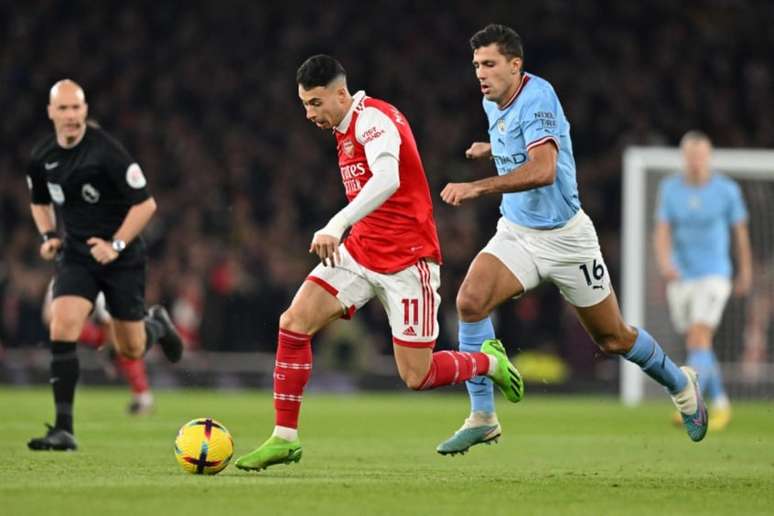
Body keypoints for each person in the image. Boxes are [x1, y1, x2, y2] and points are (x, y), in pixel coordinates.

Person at [235, 55, 524, 472]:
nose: (309, 114)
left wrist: (336, 223)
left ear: (341, 93)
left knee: (416, 376)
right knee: (293, 323)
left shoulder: (374, 119)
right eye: (304, 104)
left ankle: (488, 362)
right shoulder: (342, 127)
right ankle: (285, 437)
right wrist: (349, 231)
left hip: (409, 261)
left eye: (316, 103)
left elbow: (387, 179)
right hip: (361, 250)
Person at [437, 24, 708, 455]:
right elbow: (521, 141)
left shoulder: (538, 95)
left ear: (515, 64)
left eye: (489, 64)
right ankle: (483, 416)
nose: (480, 74)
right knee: (470, 301)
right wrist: (493, 147)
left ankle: (681, 384)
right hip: (518, 233)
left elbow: (543, 169)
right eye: (476, 66)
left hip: (567, 239)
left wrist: (476, 187)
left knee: (613, 338)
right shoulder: (494, 101)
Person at [26, 79, 183, 451]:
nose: (70, 115)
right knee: (62, 323)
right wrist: (48, 236)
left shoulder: (107, 151)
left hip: (122, 259)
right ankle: (63, 429)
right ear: (51, 113)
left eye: (76, 108)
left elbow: (146, 204)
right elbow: (38, 199)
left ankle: (155, 324)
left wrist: (115, 245)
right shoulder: (41, 157)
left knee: (129, 348)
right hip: (78, 256)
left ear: (85, 111)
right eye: (62, 109)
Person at [653, 131, 751, 431]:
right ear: (684, 158)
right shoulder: (670, 188)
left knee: (698, 334)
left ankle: (691, 405)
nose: (696, 161)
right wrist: (665, 263)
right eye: (691, 156)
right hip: (682, 275)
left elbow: (740, 233)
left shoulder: (726, 190)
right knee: (698, 342)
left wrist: (744, 270)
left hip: (714, 273)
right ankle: (720, 403)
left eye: (701, 155)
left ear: (708, 157)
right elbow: (662, 230)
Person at [42, 282, 155, 415]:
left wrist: (107, 352)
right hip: (78, 327)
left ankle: (142, 394)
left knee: (126, 344)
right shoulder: (59, 281)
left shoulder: (99, 283)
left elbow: (109, 324)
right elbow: (48, 318)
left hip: (102, 325)